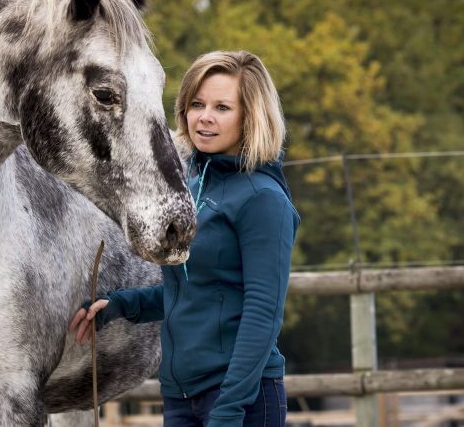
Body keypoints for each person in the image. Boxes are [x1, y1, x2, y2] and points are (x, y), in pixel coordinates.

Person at [70, 50, 299, 427]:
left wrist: (229, 409)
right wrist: (119, 306)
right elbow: (192, 295)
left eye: (222, 107)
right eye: (197, 103)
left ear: (250, 116)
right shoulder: (192, 187)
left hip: (239, 400)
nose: (204, 117)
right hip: (181, 398)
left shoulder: (263, 199)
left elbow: (263, 313)